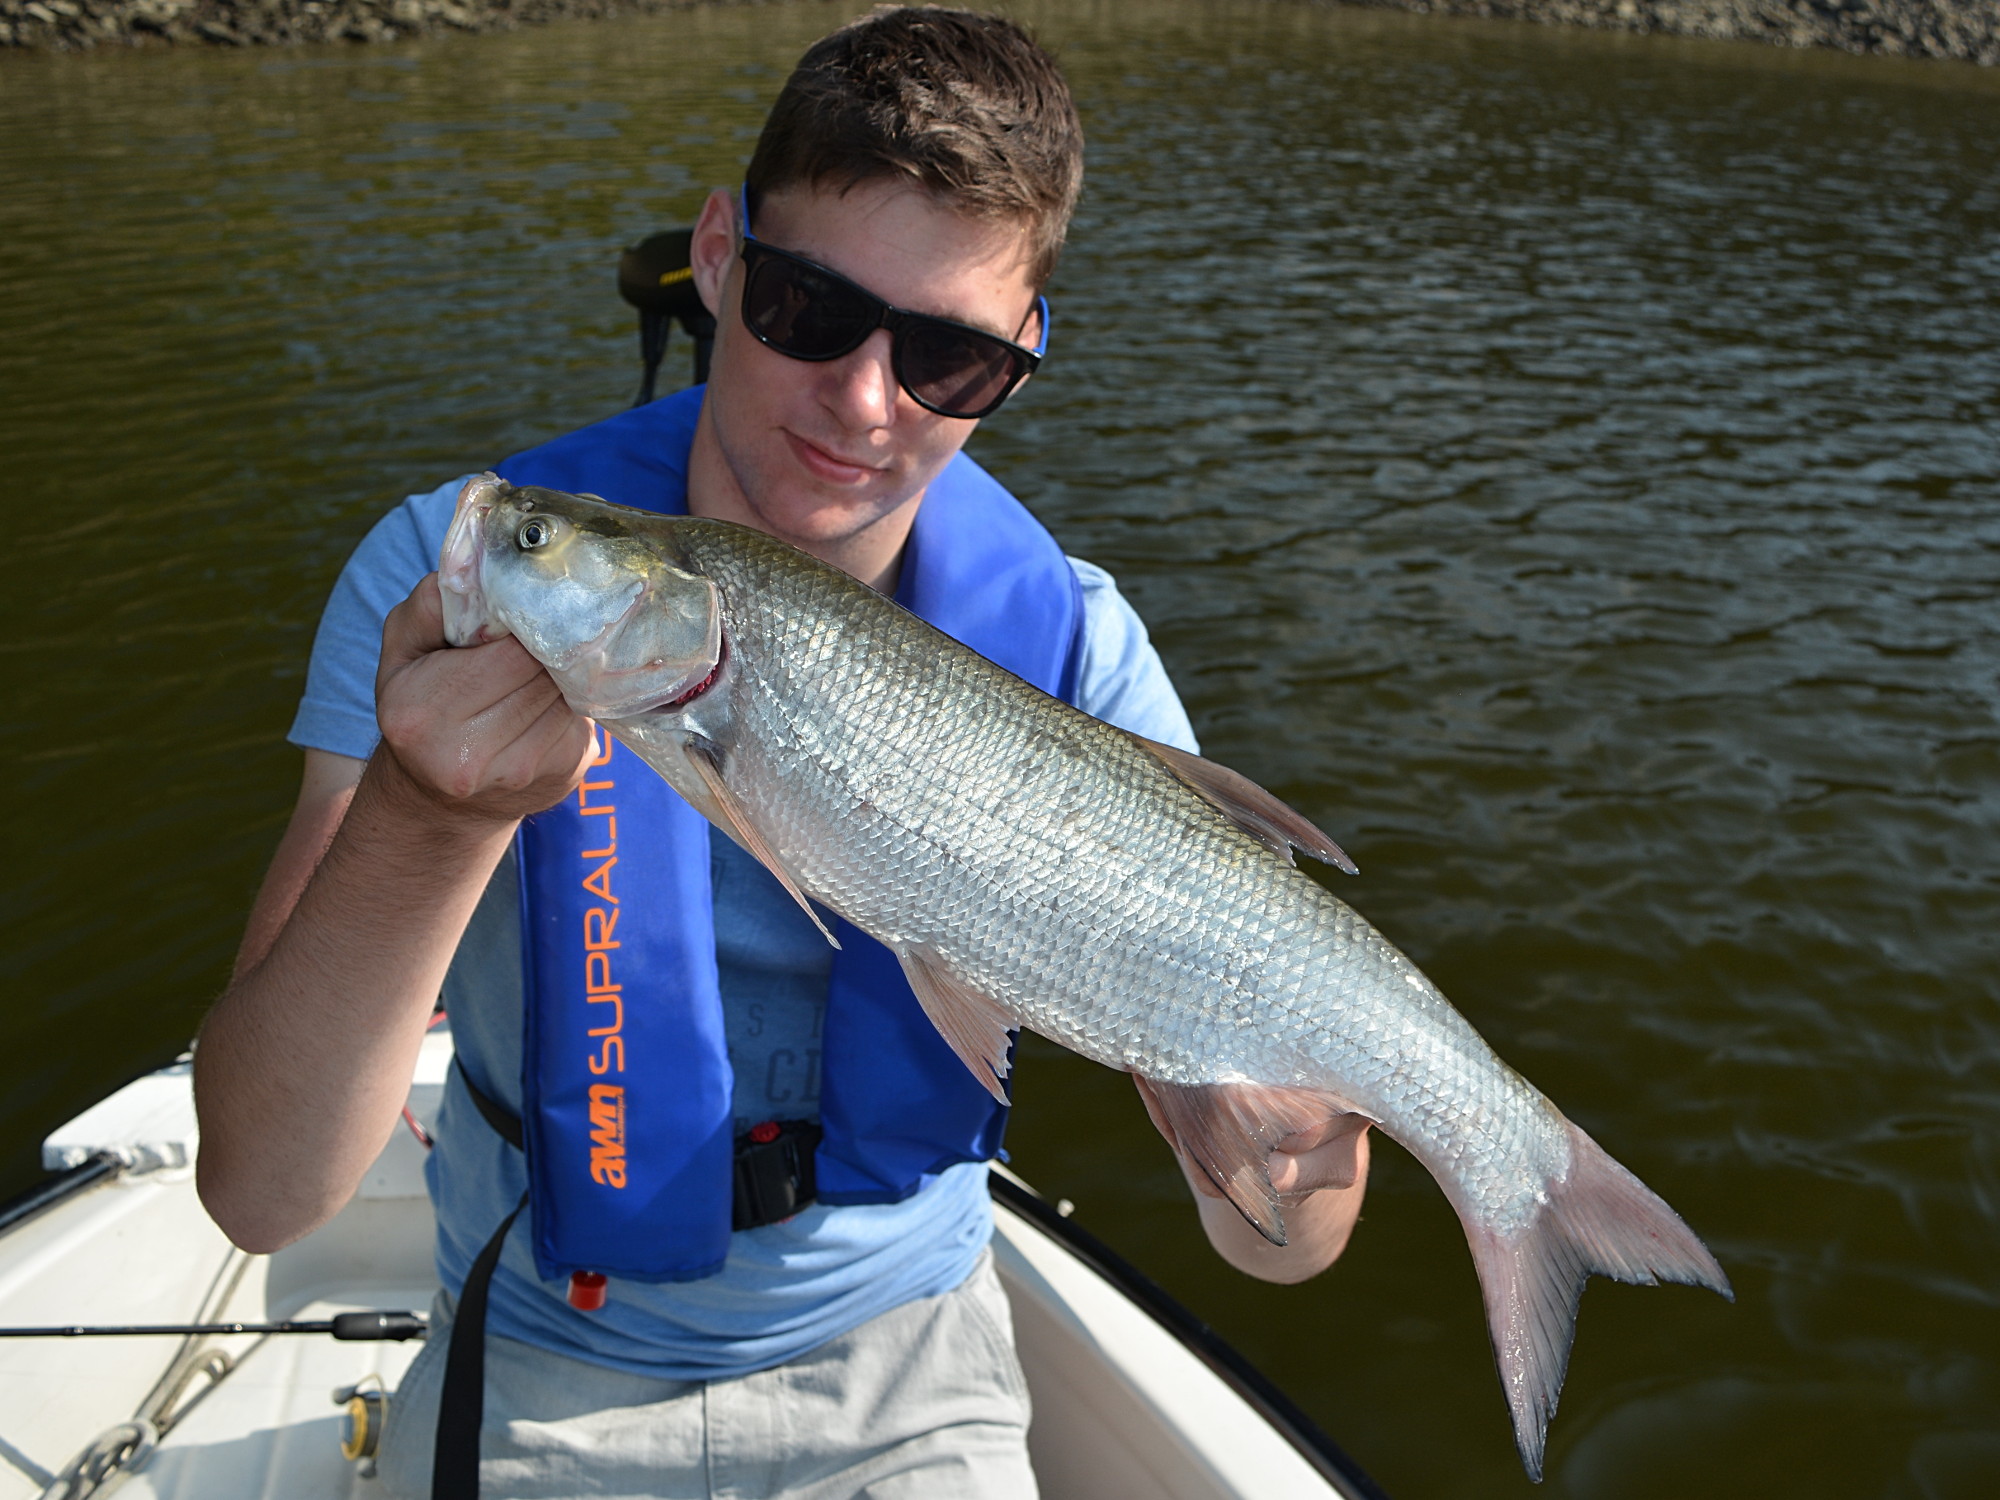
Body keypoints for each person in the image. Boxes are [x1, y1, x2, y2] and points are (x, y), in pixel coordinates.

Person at [192, 8, 1371, 1498]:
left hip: (915, 1369)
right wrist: (425, 818)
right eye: (813, 308)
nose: (865, 402)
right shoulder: (452, 586)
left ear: (1022, 361)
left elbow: (1287, 1252)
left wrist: (1291, 1159)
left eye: (948, 360)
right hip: (549, 1356)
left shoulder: (1075, 648)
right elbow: (261, 1191)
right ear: (721, 255)